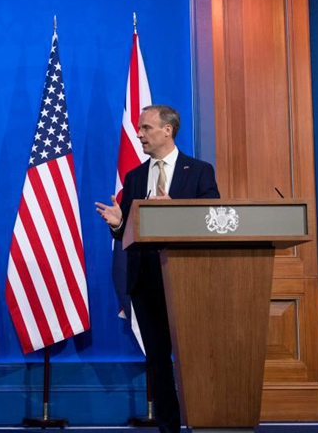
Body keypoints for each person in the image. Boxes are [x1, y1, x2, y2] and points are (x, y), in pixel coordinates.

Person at [95, 105, 219, 433]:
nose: (139, 134)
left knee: (195, 359)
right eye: (139, 129)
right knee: (158, 361)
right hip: (147, 281)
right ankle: (169, 427)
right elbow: (130, 232)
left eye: (146, 128)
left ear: (168, 130)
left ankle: (205, 420)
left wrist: (174, 209)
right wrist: (119, 225)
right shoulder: (135, 177)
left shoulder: (200, 171)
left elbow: (213, 219)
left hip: (188, 279)